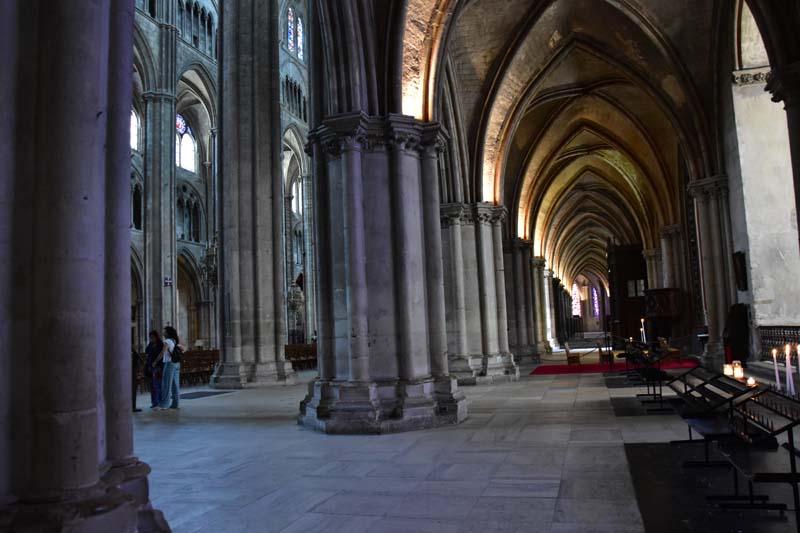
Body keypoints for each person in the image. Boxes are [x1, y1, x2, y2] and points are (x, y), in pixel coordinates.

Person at [155, 326, 184, 410]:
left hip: (169, 363)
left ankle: (164, 404)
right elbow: (183, 349)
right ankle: (175, 404)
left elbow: (162, 353)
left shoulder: (167, 341)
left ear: (167, 333)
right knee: (175, 385)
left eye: (164, 331)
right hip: (177, 363)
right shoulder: (174, 340)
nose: (163, 333)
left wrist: (155, 361)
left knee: (166, 384)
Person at [144, 330, 164, 409]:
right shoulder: (151, 344)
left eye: (152, 337)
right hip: (150, 366)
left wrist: (155, 362)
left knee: (157, 385)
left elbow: (161, 355)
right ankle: (154, 402)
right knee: (152, 386)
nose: (151, 339)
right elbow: (146, 351)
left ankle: (159, 402)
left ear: (156, 337)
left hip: (158, 367)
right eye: (150, 337)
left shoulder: (160, 344)